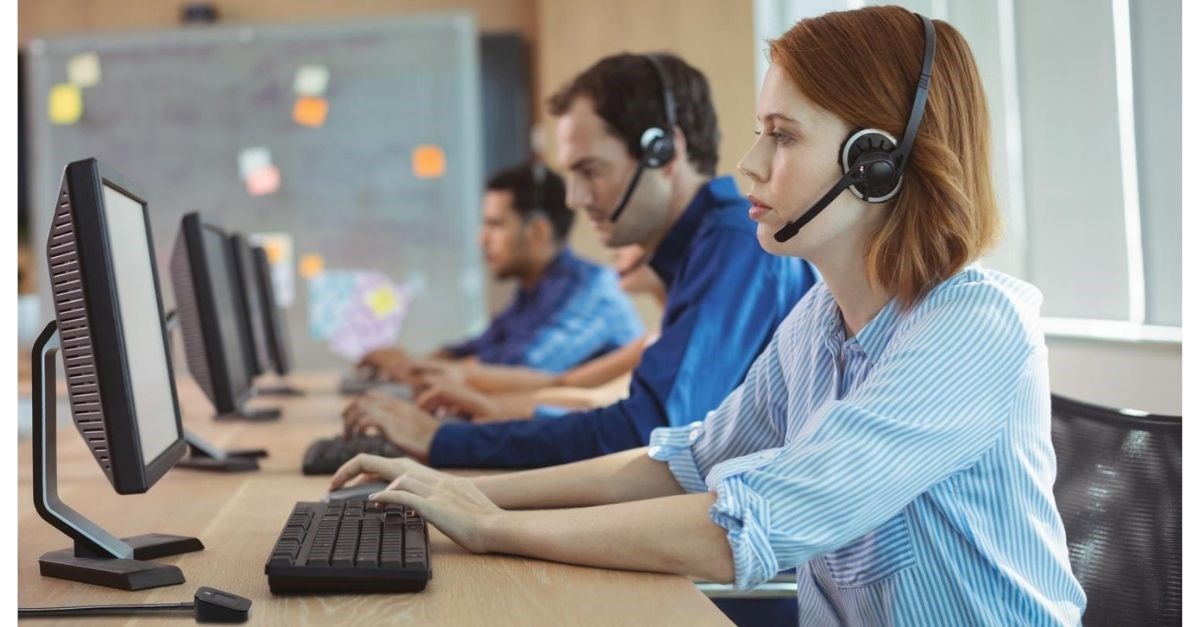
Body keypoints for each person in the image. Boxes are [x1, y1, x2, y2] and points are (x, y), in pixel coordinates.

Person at [333, 7, 1087, 624]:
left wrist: (493, 528)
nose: (749, 164)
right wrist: (458, 492)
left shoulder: (974, 327)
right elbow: (681, 465)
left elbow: (746, 521)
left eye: (783, 136)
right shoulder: (820, 323)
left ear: (875, 163)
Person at [343, 52, 818, 468]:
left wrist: (448, 441)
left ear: (664, 153)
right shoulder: (703, 250)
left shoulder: (735, 247)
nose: (573, 197)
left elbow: (650, 435)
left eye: (590, 171)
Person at [362, 162, 643, 376]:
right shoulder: (531, 292)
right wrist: (411, 363)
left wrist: (410, 368)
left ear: (538, 232)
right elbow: (479, 349)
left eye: (495, 225)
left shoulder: (592, 291)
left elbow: (519, 370)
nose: (481, 239)